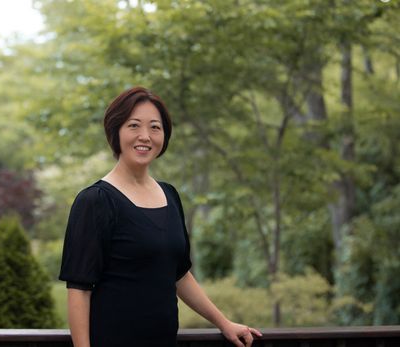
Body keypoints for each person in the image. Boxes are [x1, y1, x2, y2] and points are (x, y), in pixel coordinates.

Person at [59, 86, 262, 347]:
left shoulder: (170, 195)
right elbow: (79, 290)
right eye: (134, 125)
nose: (145, 136)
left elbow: (178, 274)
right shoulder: (95, 201)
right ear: (116, 131)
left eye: (155, 127)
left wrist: (223, 323)